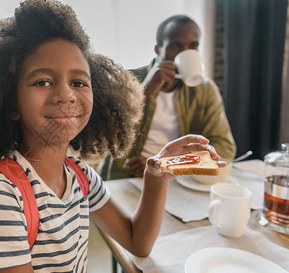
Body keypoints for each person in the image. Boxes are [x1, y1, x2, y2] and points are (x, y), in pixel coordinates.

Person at [0, 0, 225, 272]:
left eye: (78, 82)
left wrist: (157, 174)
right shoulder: (0, 196)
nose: (66, 94)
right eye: (43, 81)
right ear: (11, 104)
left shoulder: (80, 176)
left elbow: (138, 242)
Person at [100, 15, 236, 180]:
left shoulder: (205, 90)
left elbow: (225, 147)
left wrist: (165, 165)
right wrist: (145, 90)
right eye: (175, 46)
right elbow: (105, 134)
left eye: (193, 47)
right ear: (158, 50)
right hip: (126, 177)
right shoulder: (127, 80)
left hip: (177, 178)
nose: (185, 53)